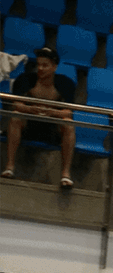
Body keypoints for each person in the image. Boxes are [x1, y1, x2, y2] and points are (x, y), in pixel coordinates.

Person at [3, 48, 77, 189]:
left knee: (68, 124)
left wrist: (51, 112)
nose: (40, 69)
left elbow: (68, 112)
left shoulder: (65, 83)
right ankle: (9, 166)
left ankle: (66, 174)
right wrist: (31, 109)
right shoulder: (25, 79)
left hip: (51, 128)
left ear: (54, 67)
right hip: (29, 125)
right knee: (15, 118)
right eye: (39, 65)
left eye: (45, 65)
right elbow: (17, 105)